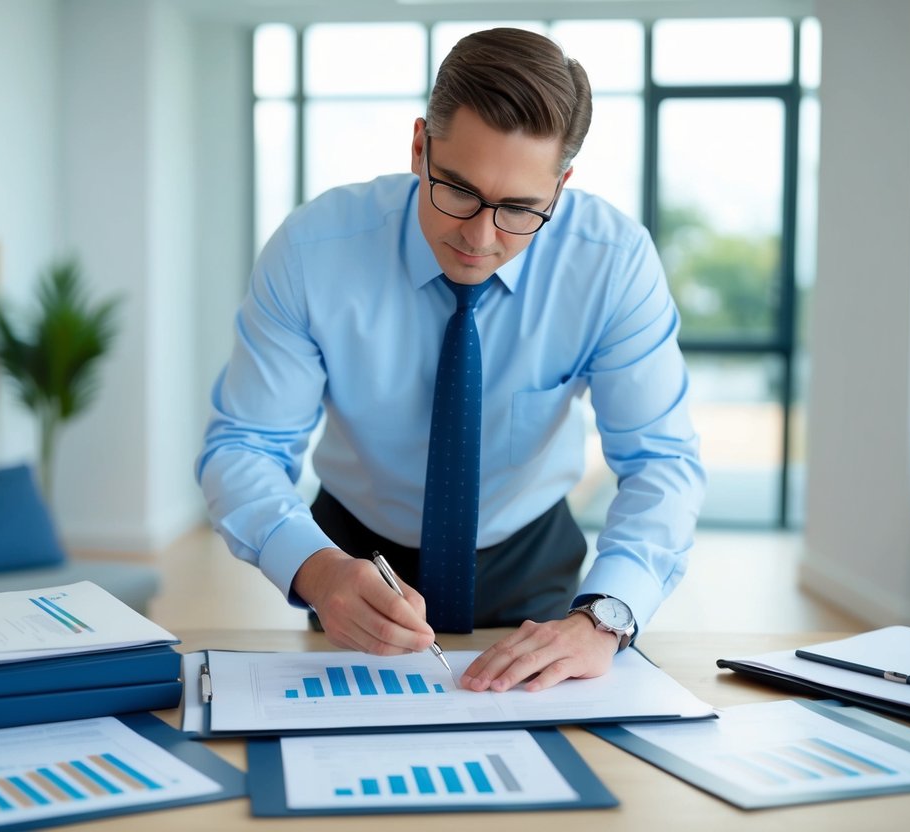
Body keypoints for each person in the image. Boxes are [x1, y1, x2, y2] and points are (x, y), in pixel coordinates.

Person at [196, 27, 704, 693]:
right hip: (352, 555)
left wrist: (605, 619)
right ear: (418, 147)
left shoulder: (610, 262)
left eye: (520, 207)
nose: (479, 237)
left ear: (561, 185)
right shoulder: (315, 249)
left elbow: (661, 461)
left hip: (528, 552)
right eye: (457, 189)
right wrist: (316, 572)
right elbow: (244, 445)